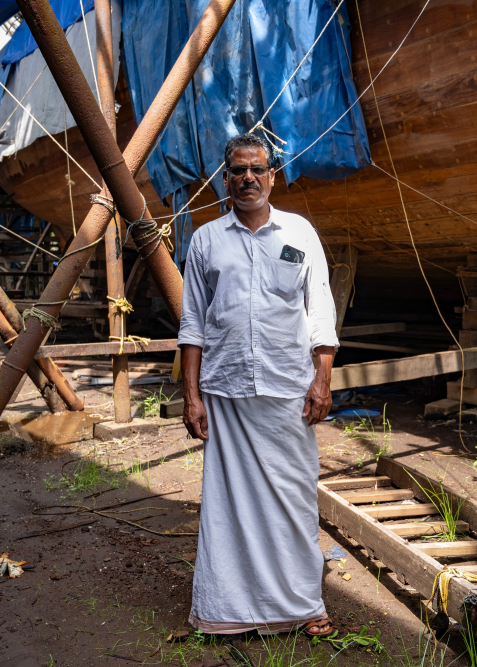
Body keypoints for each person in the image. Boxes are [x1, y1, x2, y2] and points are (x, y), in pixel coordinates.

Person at [177, 133, 338, 637]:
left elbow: (321, 312)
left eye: (258, 169)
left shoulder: (300, 233)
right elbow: (192, 324)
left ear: (273, 176)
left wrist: (322, 380)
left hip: (289, 389)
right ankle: (225, 610)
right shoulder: (206, 239)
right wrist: (192, 395)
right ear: (226, 179)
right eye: (238, 170)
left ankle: (304, 604)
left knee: (294, 499)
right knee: (228, 505)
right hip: (225, 393)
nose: (248, 178)